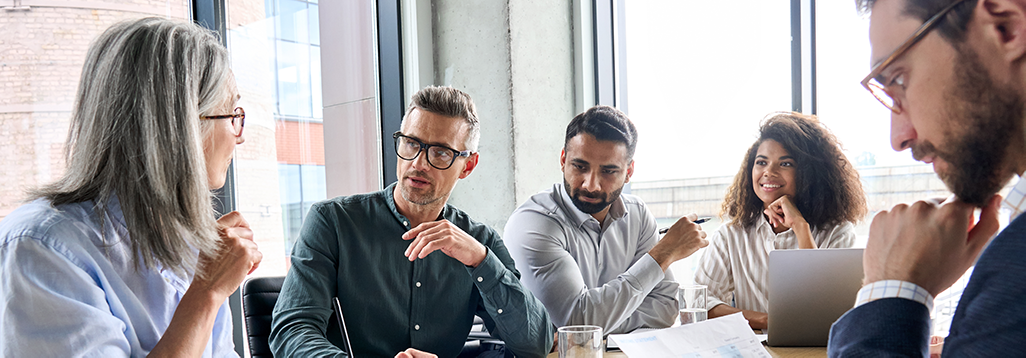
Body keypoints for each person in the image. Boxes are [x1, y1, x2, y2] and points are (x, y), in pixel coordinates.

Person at [0, 18, 262, 356]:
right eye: (231, 115)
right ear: (182, 127)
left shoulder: (189, 242)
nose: (239, 135)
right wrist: (206, 293)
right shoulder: (40, 248)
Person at [269, 86, 553, 358]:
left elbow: (535, 344)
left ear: (467, 165)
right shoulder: (332, 222)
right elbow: (291, 332)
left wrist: (480, 261)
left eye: (441, 152)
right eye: (411, 143)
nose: (419, 163)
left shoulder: (480, 242)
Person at [828, 0, 1026, 356]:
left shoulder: (1018, 267)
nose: (898, 138)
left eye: (900, 79)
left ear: (1006, 28)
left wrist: (893, 290)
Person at [503, 105, 709, 335]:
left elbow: (666, 307)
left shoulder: (638, 215)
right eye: (580, 166)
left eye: (608, 171)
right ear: (563, 159)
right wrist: (662, 254)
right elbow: (576, 322)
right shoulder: (535, 223)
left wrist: (600, 324)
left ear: (629, 172)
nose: (591, 184)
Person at [694, 112, 868, 330]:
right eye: (761, 162)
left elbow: (826, 312)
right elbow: (701, 304)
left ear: (809, 173)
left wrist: (801, 228)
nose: (769, 172)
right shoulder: (730, 235)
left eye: (785, 164)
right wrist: (768, 321)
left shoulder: (837, 232)